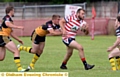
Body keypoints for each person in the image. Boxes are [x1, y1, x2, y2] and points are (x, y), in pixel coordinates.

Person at [0, 6, 25, 72]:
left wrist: (18, 39)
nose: (14, 12)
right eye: (13, 11)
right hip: (3, 37)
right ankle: (20, 69)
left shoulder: (8, 19)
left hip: (2, 37)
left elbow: (11, 32)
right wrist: (18, 27)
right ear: (11, 11)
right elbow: (7, 24)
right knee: (16, 51)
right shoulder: (7, 17)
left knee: (1, 58)